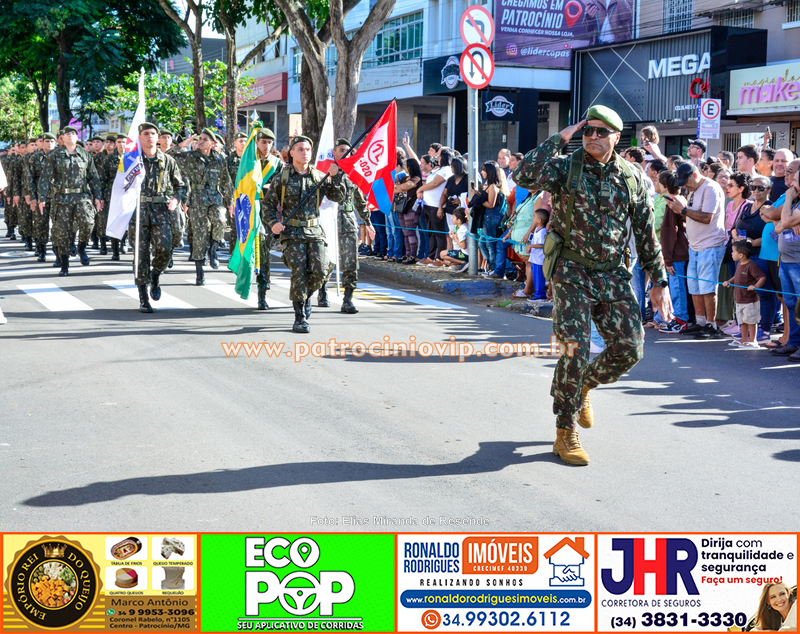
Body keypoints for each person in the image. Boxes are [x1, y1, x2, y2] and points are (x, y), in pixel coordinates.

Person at [513, 105, 670, 466]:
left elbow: (646, 234)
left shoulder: (632, 177)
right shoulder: (565, 166)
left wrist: (658, 280)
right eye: (588, 131)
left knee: (630, 348)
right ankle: (565, 429)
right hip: (571, 271)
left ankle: (584, 385)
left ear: (618, 137)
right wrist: (560, 137)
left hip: (613, 272)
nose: (593, 137)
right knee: (575, 349)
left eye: (601, 132)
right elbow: (524, 174)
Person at [262, 135, 346, 333]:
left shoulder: (318, 176)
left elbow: (337, 196)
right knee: (299, 271)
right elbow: (268, 205)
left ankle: (306, 296)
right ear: (291, 153)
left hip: (314, 231)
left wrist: (337, 177)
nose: (305, 152)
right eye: (300, 149)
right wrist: (273, 223)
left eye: (308, 149)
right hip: (291, 232)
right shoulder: (282, 177)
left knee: (321, 270)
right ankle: (299, 316)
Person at [128, 123, 187, 313]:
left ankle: (155, 274)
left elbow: (181, 186)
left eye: (153, 133)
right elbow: (120, 186)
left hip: (161, 211)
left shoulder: (168, 161)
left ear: (158, 137)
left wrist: (176, 200)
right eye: (146, 133)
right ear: (140, 137)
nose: (150, 136)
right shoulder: (131, 160)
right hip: (138, 211)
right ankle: (143, 296)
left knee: (164, 249)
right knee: (140, 255)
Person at [665, 162, 727, 340]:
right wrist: (679, 208)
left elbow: (707, 217)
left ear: (695, 174)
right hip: (695, 245)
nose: (684, 185)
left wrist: (682, 210)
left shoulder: (711, 188)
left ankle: (711, 325)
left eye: (686, 181)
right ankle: (700, 322)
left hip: (710, 244)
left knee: (707, 287)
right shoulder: (693, 189)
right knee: (695, 286)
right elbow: (692, 214)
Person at [37, 126, 103, 276]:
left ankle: (81, 247)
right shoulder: (55, 155)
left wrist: (98, 196)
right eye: (68, 134)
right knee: (63, 232)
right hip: (62, 198)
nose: (71, 135)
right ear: (62, 138)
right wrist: (42, 198)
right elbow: (45, 178)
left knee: (88, 223)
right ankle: (64, 265)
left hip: (82, 197)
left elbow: (94, 177)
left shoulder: (85, 155)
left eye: (73, 133)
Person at [319, 138, 375, 314]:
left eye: (348, 150)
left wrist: (368, 222)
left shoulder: (353, 175)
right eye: (341, 150)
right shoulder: (324, 174)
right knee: (326, 259)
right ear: (333, 153)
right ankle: (322, 289)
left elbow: (360, 201)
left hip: (348, 222)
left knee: (351, 261)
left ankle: (348, 299)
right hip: (329, 221)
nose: (345, 153)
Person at [180, 128, 234, 284]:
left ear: (212, 143)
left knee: (220, 220)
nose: (201, 141)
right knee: (199, 234)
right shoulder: (190, 157)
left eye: (205, 139)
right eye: (200, 139)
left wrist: (230, 202)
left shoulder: (219, 159)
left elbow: (226, 182)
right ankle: (199, 272)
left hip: (214, 197)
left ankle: (213, 250)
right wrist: (184, 143)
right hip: (196, 199)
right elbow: (170, 155)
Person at [733, 175, 776, 341]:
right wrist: (736, 236)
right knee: (745, 292)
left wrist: (751, 242)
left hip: (761, 255)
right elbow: (736, 226)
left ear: (769, 190)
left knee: (764, 293)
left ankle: (764, 330)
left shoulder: (770, 208)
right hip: (745, 256)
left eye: (761, 188)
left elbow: (772, 234)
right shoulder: (746, 207)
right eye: (753, 187)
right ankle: (745, 329)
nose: (756, 191)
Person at [772, 168, 800, 361]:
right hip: (787, 262)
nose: (791, 184)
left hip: (798, 263)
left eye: (796, 181)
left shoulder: (794, 200)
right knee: (791, 304)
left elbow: (785, 220)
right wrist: (787, 222)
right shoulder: (795, 203)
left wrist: (789, 198)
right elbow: (778, 225)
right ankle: (794, 343)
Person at [658, 170, 691, 333]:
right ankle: (680, 317)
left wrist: (668, 259)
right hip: (681, 250)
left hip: (676, 253)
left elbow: (670, 232)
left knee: (677, 287)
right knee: (678, 286)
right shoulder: (680, 198)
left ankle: (681, 319)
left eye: (659, 182)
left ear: (665, 185)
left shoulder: (672, 201)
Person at [255, 127, 282, 310]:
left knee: (264, 252)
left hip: (268, 212)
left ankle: (262, 290)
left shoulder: (277, 164)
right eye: (263, 142)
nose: (266, 146)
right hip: (250, 211)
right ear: (257, 142)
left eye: (269, 142)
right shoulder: (248, 161)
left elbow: (282, 186)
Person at [723, 240, 766, 348]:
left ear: (741, 255)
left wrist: (755, 286)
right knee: (742, 320)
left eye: (733, 251)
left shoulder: (751, 266)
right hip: (739, 299)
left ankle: (753, 340)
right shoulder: (739, 264)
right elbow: (736, 277)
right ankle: (744, 338)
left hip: (750, 300)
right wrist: (729, 281)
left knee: (751, 320)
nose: (731, 253)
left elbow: (762, 277)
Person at [396, 157, 422, 264]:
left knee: (411, 232)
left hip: (412, 207)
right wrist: (398, 187)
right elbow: (397, 188)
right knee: (405, 232)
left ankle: (413, 255)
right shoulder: (404, 178)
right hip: (402, 208)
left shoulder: (416, 178)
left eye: (406, 165)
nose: (405, 168)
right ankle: (407, 254)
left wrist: (398, 187)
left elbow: (404, 187)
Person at [525, 208, 548, 301]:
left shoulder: (543, 231)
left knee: (539, 278)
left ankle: (540, 295)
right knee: (535, 277)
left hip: (539, 259)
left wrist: (531, 246)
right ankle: (537, 293)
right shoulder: (537, 230)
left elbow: (543, 245)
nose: (533, 219)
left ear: (539, 220)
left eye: (534, 217)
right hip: (534, 258)